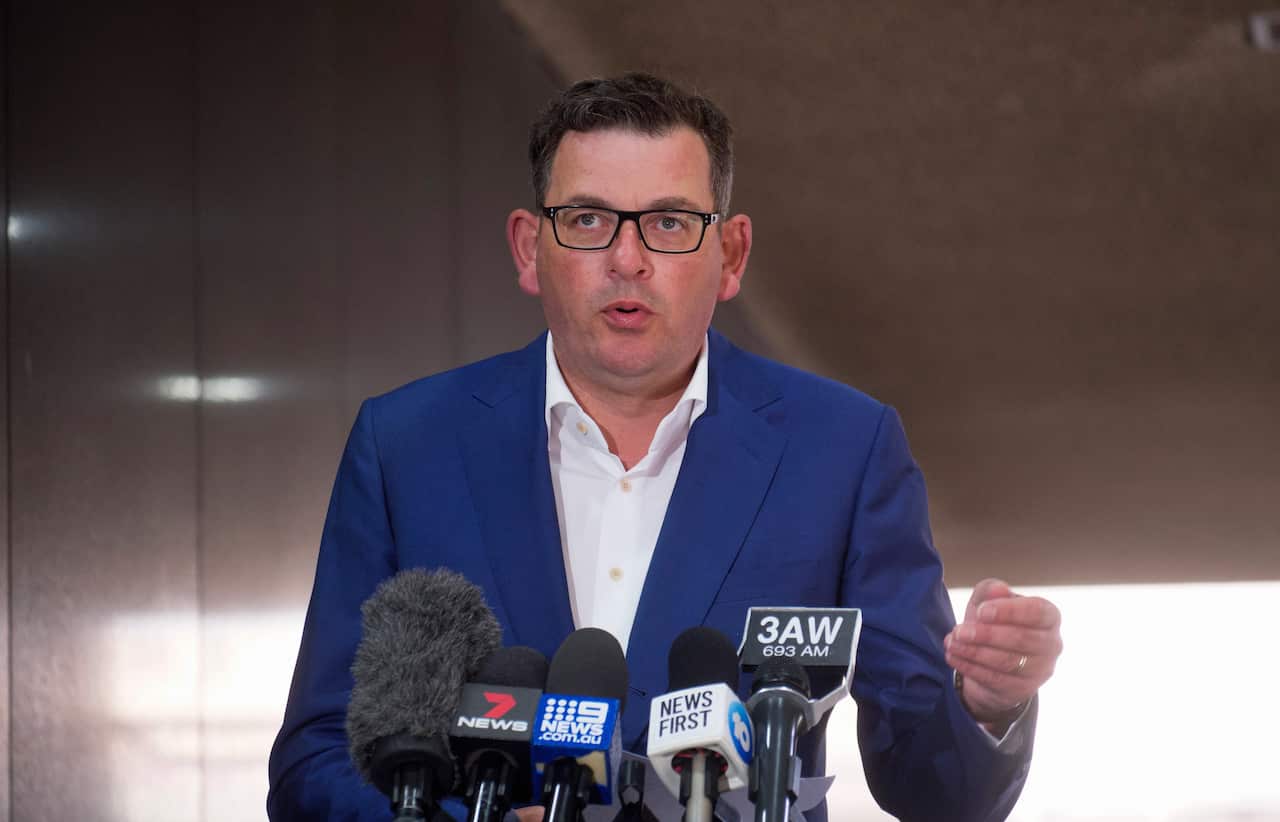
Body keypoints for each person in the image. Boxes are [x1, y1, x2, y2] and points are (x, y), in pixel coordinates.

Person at [268, 73, 1063, 822]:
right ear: (526, 248)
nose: (627, 259)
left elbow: (929, 786)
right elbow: (314, 762)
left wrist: (988, 705)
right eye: (586, 218)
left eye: (670, 223)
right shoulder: (408, 444)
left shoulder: (844, 450)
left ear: (731, 255)